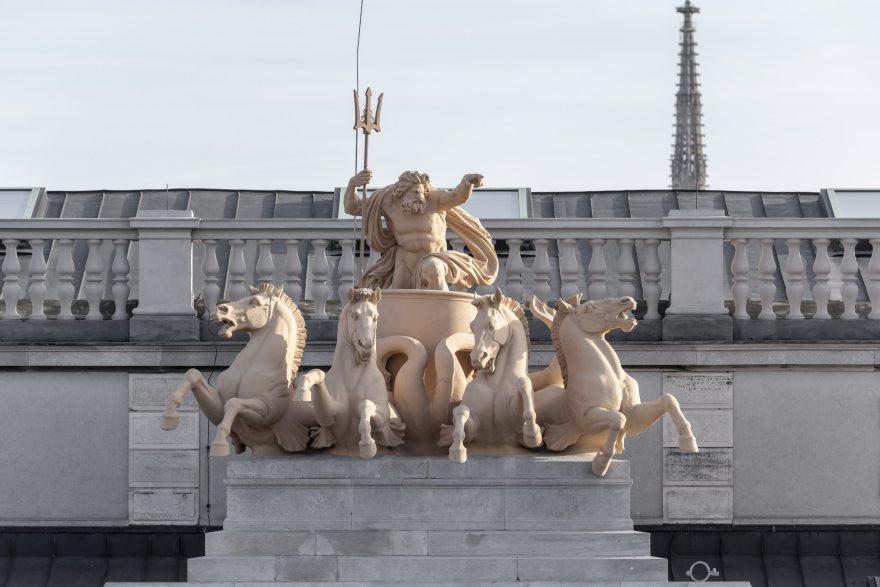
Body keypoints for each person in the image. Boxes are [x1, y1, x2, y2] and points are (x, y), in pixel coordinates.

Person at [344, 169, 498, 290]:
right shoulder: (388, 202)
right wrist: (352, 185)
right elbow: (354, 207)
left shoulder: (434, 199)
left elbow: (456, 197)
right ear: (402, 194)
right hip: (405, 259)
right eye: (415, 192)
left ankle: (444, 323)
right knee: (399, 303)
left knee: (433, 271)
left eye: (422, 192)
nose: (420, 196)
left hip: (435, 259)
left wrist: (467, 182)